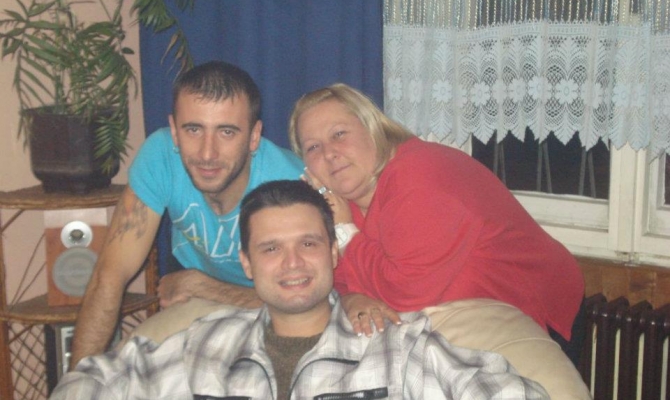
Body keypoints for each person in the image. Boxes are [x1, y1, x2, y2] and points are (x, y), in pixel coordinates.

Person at [50, 180, 549, 400]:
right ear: (246, 263)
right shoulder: (203, 344)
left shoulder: (398, 347)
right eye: (271, 249)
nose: (292, 263)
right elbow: (96, 382)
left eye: (308, 243)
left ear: (333, 252)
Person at [288, 83, 586, 365]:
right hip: (456, 331)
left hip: (530, 317)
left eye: (339, 134)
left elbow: (406, 293)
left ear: (372, 128)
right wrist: (352, 298)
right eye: (313, 147)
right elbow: (331, 278)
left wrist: (346, 234)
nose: (329, 153)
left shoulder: (418, 174)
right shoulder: (341, 202)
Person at [69, 61, 304, 369]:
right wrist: (77, 381)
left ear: (254, 136)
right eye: (193, 129)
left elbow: (308, 302)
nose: (207, 153)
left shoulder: (289, 184)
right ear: (174, 131)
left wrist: (206, 287)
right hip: (198, 305)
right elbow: (109, 276)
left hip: (274, 314)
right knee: (125, 369)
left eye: (227, 132)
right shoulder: (160, 157)